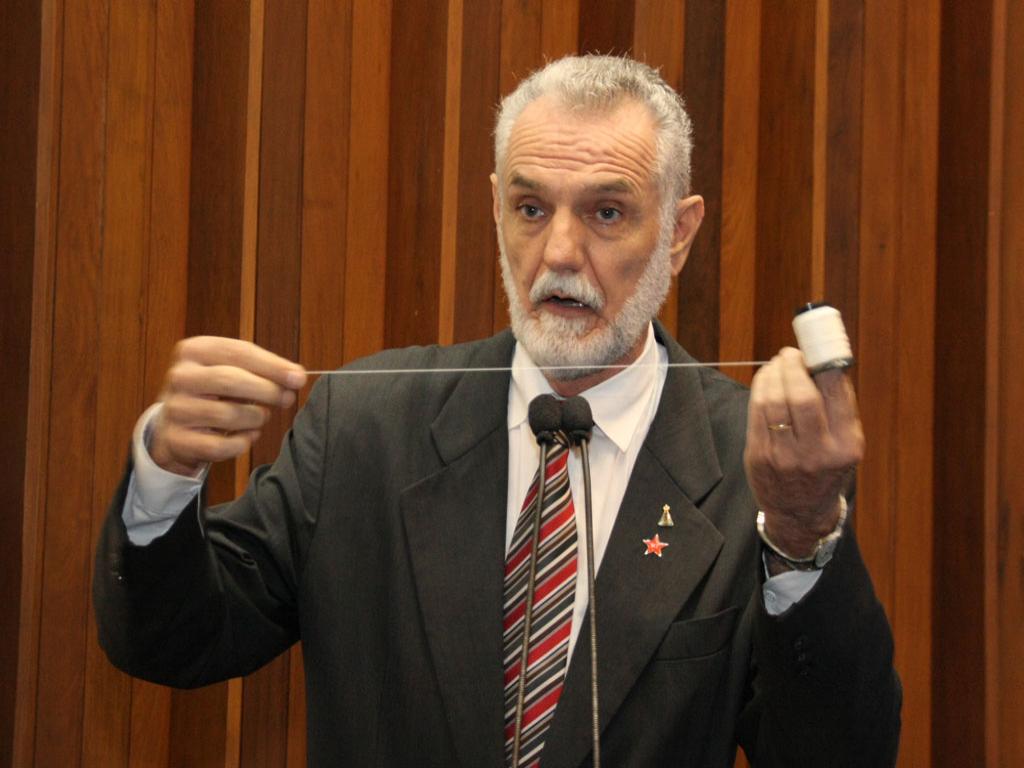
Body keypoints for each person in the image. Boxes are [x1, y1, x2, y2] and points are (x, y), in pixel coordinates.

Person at [95, 55, 901, 766]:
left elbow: (837, 755)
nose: (559, 254)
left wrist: (802, 537)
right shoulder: (365, 429)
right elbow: (172, 639)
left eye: (606, 212)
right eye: (531, 208)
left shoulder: (761, 468)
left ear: (680, 234)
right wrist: (167, 469)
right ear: (495, 209)